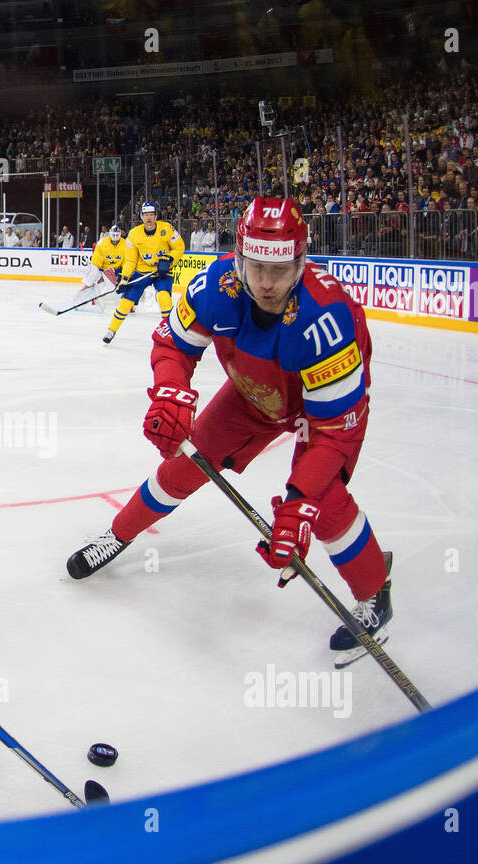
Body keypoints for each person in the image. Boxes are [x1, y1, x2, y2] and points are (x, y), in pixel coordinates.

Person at [67, 198, 394, 668]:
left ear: (301, 262)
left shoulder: (327, 319)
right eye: (255, 266)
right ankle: (117, 534)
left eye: (279, 270)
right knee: (182, 466)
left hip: (317, 409)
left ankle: (375, 593)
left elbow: (333, 434)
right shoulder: (214, 286)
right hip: (252, 391)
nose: (265, 282)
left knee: (322, 505)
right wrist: (171, 391)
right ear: (238, 257)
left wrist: (300, 502)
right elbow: (172, 346)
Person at [102, 201, 184, 344]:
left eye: (151, 214)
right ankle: (112, 330)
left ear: (156, 216)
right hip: (142, 271)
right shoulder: (134, 234)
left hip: (162, 271)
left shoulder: (167, 229)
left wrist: (169, 259)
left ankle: (171, 333)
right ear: (141, 217)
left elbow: (179, 247)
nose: (149, 218)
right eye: (146, 215)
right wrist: (125, 278)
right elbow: (130, 260)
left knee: (164, 298)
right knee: (126, 302)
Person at [69, 223, 127, 312]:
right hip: (103, 271)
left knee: (119, 289)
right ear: (110, 234)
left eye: (117, 235)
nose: (115, 237)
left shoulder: (126, 244)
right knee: (90, 284)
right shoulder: (102, 243)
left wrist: (123, 274)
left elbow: (128, 262)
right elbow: (96, 262)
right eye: (113, 235)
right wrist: (94, 277)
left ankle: (126, 305)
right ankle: (77, 303)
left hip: (117, 271)